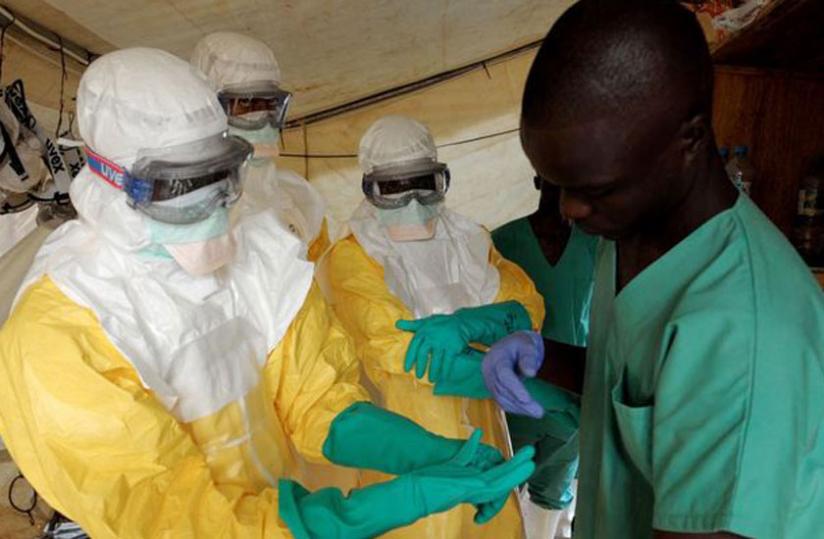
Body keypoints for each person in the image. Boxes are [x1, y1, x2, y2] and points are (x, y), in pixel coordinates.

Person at [0, 48, 536, 539]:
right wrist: (357, 514)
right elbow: (166, 514)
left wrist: (432, 454)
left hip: (288, 509)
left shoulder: (259, 250)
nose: (215, 208)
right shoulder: (64, 326)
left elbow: (318, 400)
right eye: (182, 189)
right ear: (113, 180)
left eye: (221, 178)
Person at [481, 1, 824, 538]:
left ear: (689, 139)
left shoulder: (744, 333)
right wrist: (547, 357)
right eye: (556, 183)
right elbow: (640, 379)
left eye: (593, 189)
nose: (570, 209)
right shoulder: (629, 228)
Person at [319, 115, 545, 538]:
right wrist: (492, 364)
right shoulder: (353, 256)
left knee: (489, 521)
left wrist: (476, 322)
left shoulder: (470, 239)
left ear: (442, 179)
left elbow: (527, 306)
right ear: (369, 188)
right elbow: (397, 350)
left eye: (424, 183)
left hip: (484, 427)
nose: (412, 201)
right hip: (405, 436)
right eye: (394, 188)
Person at [492, 179, 598, 537]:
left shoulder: (595, 245)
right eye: (552, 176)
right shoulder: (502, 243)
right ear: (537, 179)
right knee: (502, 485)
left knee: (553, 492)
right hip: (515, 393)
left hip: (572, 391)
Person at [191, 32, 329, 261]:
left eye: (270, 105)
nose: (263, 120)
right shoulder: (189, 212)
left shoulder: (300, 199)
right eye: (246, 106)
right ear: (210, 110)